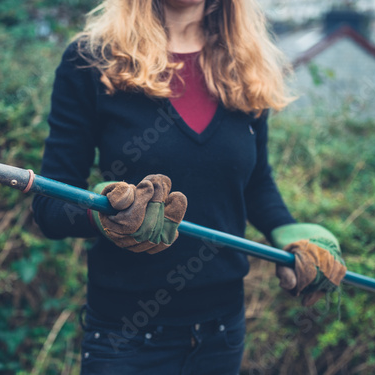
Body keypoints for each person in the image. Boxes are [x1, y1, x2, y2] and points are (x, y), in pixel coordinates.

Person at [32, 1, 347, 374]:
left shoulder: (243, 64)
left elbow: (256, 183)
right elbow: (50, 206)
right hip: (126, 337)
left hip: (221, 335)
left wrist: (295, 235)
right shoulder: (92, 60)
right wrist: (105, 212)